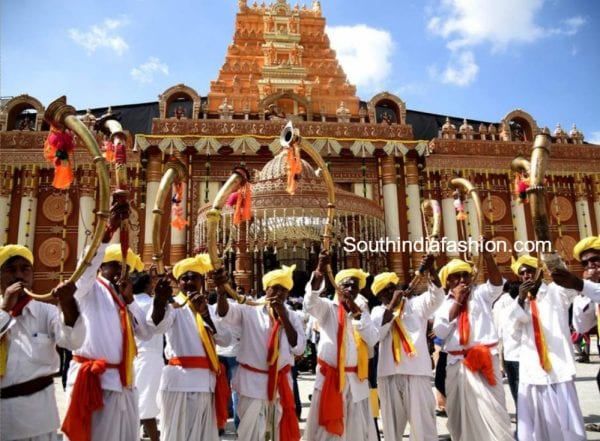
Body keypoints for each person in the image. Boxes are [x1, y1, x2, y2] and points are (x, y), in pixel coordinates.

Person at [62, 199, 151, 441]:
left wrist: (131, 300)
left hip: (124, 383)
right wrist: (108, 230)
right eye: (115, 266)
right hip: (96, 384)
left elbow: (145, 332)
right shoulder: (89, 288)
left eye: (126, 269)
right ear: (102, 266)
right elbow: (85, 267)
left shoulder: (123, 298)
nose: (122, 272)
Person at [0, 245, 84, 441]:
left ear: (33, 276)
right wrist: (5, 309)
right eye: (11, 270)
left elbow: (73, 341)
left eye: (25, 269)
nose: (19, 275)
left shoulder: (47, 312)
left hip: (39, 419)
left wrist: (69, 303)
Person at [215, 264, 305, 441]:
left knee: (278, 433)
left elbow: (299, 347)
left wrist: (283, 316)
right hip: (252, 384)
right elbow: (225, 313)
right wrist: (221, 292)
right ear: (266, 289)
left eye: (284, 290)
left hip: (281, 385)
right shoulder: (249, 309)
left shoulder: (292, 316)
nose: (279, 293)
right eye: (275, 288)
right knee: (251, 435)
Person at [432, 245, 513, 441]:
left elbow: (496, 284)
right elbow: (440, 332)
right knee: (460, 414)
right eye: (456, 277)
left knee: (493, 410)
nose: (462, 280)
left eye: (465, 275)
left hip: (483, 360)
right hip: (456, 365)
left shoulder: (482, 294)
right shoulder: (443, 303)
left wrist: (487, 256)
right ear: (448, 281)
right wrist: (458, 301)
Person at [149, 254, 231, 441]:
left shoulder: (208, 309)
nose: (189, 282)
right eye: (184, 278)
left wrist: (205, 315)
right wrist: (160, 302)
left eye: (194, 277)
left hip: (205, 383)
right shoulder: (174, 308)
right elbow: (156, 327)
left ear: (202, 281)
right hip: (179, 383)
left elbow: (225, 340)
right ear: (178, 282)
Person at [507, 255, 586, 441]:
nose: (527, 275)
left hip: (558, 366)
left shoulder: (555, 292)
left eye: (530, 271)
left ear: (539, 272)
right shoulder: (519, 302)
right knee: (536, 420)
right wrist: (520, 300)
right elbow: (513, 333)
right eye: (522, 273)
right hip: (532, 367)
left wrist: (550, 256)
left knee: (566, 418)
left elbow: (569, 283)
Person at [303, 253, 379, 441]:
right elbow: (310, 303)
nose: (350, 288)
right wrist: (320, 271)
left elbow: (373, 339)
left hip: (356, 380)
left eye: (354, 285)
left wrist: (357, 314)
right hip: (331, 380)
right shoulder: (328, 308)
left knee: (356, 431)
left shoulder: (361, 311)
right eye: (346, 284)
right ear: (337, 287)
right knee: (327, 432)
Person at [370, 255, 444, 441]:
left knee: (423, 425)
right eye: (384, 292)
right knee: (391, 427)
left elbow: (437, 297)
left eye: (391, 288)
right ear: (379, 297)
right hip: (389, 374)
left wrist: (431, 270)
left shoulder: (416, 304)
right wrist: (394, 305)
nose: (389, 293)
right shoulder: (378, 312)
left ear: (397, 287)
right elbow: (377, 334)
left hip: (416, 372)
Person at [131, 272, 163, 441]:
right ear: (146, 286)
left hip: (131, 357)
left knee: (136, 399)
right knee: (147, 402)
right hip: (150, 357)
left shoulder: (127, 303)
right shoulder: (153, 304)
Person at [492, 279, 521, 408]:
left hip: (508, 346)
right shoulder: (521, 302)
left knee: (516, 385)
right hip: (517, 349)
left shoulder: (502, 302)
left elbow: (497, 322)